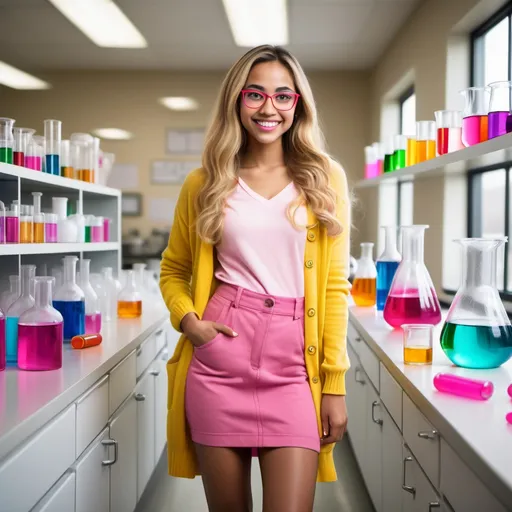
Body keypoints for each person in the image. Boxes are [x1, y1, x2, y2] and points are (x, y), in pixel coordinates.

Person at [160, 44, 351, 512]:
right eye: (255, 95)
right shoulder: (204, 182)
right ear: (236, 100)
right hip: (220, 356)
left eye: (284, 96)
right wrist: (190, 322)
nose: (270, 108)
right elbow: (174, 270)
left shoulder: (324, 177)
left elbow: (333, 287)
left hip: (294, 369)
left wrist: (334, 384)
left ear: (297, 104)